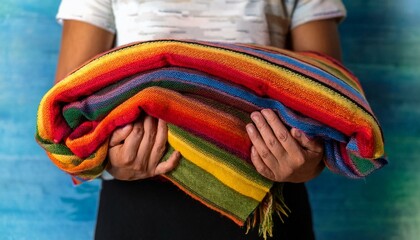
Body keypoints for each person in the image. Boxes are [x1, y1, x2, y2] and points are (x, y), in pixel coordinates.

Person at [54, 1, 346, 239]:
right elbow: (65, 114)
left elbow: (331, 101)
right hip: (140, 207)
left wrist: (307, 164)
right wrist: (111, 159)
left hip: (268, 205)